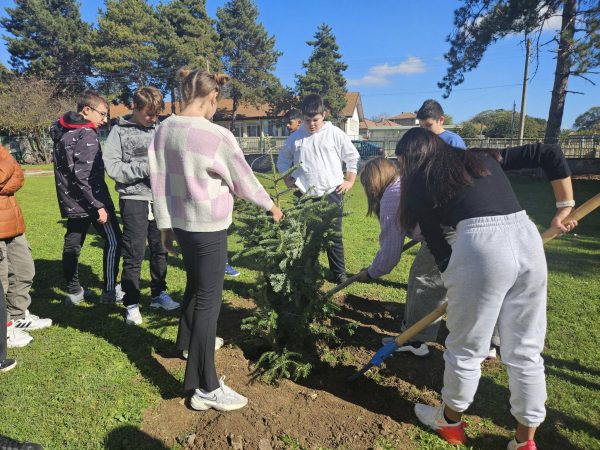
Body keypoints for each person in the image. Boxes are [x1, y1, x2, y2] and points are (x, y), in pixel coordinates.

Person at [395, 127, 576, 449]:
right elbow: (549, 153)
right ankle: (525, 441)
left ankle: (449, 423)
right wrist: (566, 204)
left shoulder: (421, 183)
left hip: (479, 245)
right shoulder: (481, 157)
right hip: (526, 236)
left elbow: (438, 245)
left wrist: (458, 278)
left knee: (466, 347)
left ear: (410, 160)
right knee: (525, 350)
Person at [148, 68, 283, 412]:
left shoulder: (163, 130)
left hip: (180, 225)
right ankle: (206, 386)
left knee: (195, 287)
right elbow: (243, 178)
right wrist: (270, 205)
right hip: (208, 228)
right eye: (216, 104)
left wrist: (164, 226)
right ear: (211, 97)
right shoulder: (216, 135)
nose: (216, 110)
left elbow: (159, 182)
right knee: (210, 302)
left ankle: (185, 344)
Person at [103, 86, 180, 325]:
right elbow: (113, 167)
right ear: (134, 107)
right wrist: (144, 168)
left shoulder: (160, 128)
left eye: (156, 114)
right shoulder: (118, 132)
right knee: (134, 253)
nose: (153, 119)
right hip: (133, 200)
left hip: (160, 199)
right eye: (148, 113)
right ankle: (131, 303)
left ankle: (158, 294)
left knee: (160, 249)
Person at [277, 94, 360, 284]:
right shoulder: (295, 138)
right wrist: (287, 179)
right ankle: (309, 270)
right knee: (307, 236)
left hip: (332, 192)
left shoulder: (335, 133)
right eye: (307, 120)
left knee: (333, 236)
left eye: (316, 120)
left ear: (323, 115)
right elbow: (282, 161)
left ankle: (339, 273)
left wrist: (350, 180)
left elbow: (352, 157)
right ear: (302, 118)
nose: (312, 124)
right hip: (304, 195)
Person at [50, 90, 123, 306]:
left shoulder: (61, 131)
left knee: (73, 242)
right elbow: (84, 175)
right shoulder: (86, 133)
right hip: (92, 200)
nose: (105, 120)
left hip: (71, 201)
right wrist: (99, 205)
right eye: (102, 114)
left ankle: (74, 292)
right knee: (114, 241)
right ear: (87, 110)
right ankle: (110, 290)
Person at [0, 145, 51, 346]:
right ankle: (5, 329)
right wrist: (9, 164)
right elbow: (9, 168)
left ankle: (18, 315)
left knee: (24, 270)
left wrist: (9, 167)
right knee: (1, 281)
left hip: (12, 219)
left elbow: (18, 174)